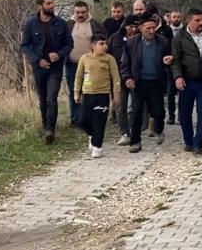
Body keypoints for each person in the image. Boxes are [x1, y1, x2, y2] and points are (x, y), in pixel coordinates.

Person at [20, 0, 73, 144]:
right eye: (48, 3)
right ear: (40, 5)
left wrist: (59, 54)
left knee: (51, 98)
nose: (52, 6)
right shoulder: (31, 24)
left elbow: (69, 44)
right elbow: (25, 45)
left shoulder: (61, 23)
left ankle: (51, 129)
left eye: (52, 3)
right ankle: (45, 127)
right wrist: (37, 60)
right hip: (39, 67)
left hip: (55, 68)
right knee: (43, 99)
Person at [120, 14, 174, 153]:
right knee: (136, 113)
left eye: (153, 28)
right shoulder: (132, 43)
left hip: (156, 82)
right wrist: (128, 78)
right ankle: (135, 141)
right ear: (140, 28)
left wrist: (168, 62)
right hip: (139, 82)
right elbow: (125, 64)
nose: (151, 31)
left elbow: (169, 60)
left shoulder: (162, 42)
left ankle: (158, 129)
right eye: (148, 28)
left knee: (158, 111)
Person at [172, 8, 202, 155]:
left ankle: (198, 143)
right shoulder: (180, 37)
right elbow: (175, 60)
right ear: (188, 21)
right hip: (187, 80)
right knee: (185, 113)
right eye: (197, 20)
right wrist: (178, 77)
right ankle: (188, 141)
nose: (201, 23)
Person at [74, 34, 122, 158]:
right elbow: (79, 76)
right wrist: (76, 92)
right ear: (93, 46)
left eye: (105, 44)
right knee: (82, 120)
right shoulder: (84, 58)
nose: (104, 46)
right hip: (88, 94)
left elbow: (116, 76)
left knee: (99, 121)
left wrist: (116, 93)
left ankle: (97, 146)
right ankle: (91, 135)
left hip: (103, 94)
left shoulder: (109, 59)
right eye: (101, 44)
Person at [66, 1, 105, 126]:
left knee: (90, 90)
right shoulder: (68, 25)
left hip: (90, 65)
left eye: (83, 12)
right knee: (74, 91)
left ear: (88, 11)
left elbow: (103, 42)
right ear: (74, 12)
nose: (80, 14)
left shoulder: (96, 25)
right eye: (78, 12)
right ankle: (75, 118)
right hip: (72, 64)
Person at [107, 14, 140, 146]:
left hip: (136, 77)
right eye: (130, 26)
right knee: (120, 105)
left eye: (135, 27)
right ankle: (124, 133)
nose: (132, 29)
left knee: (137, 105)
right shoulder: (115, 38)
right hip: (118, 77)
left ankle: (137, 129)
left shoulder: (139, 39)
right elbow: (108, 55)